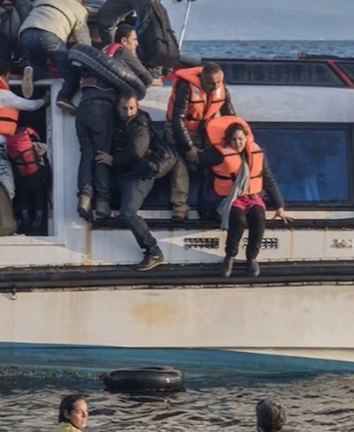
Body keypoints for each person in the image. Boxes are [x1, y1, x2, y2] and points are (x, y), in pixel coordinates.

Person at [96, 92, 181, 272]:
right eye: (124, 108)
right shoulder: (116, 120)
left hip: (140, 174)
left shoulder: (140, 124)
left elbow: (136, 152)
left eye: (132, 108)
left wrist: (113, 160)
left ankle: (153, 251)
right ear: (117, 108)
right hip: (125, 172)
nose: (128, 112)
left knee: (128, 213)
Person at [75, 24, 152, 221]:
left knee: (87, 153)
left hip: (83, 106)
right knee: (103, 155)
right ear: (124, 41)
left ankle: (84, 198)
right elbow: (145, 77)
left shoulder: (99, 54)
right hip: (102, 108)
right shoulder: (123, 52)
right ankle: (102, 202)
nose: (136, 45)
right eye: (135, 40)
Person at [199, 117, 292, 277]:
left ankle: (252, 258)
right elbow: (197, 160)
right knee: (238, 220)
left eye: (241, 138)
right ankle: (230, 256)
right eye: (234, 139)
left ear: (246, 138)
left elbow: (268, 179)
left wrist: (279, 206)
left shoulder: (257, 153)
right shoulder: (217, 154)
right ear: (228, 140)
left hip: (253, 196)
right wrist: (191, 149)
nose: (238, 142)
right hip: (232, 197)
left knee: (259, 218)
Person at [166, 62, 237, 220]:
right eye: (211, 83)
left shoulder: (222, 90)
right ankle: (180, 206)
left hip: (204, 130)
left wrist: (236, 139)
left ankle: (212, 205)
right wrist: (188, 146)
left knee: (215, 161)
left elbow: (230, 118)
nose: (215, 86)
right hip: (179, 129)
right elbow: (177, 119)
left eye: (218, 82)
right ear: (203, 79)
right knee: (180, 163)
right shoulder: (186, 87)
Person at [0, 58, 47, 200]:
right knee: (7, 192)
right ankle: (4, 220)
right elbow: (30, 106)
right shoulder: (2, 95)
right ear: (5, 75)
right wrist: (45, 99)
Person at [18, 0, 89, 112]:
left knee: (42, 71)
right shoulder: (78, 8)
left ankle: (31, 73)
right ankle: (64, 98)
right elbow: (83, 39)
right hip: (50, 36)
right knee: (71, 75)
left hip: (26, 33)